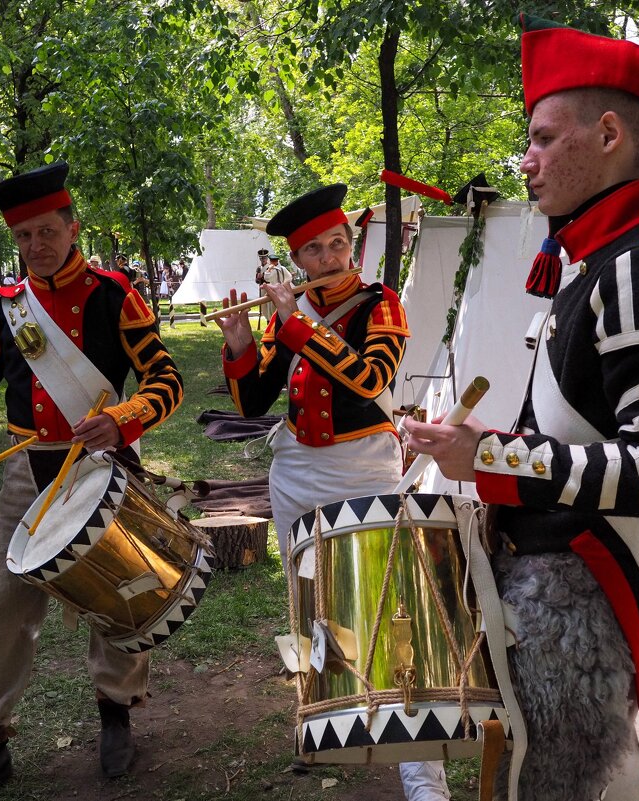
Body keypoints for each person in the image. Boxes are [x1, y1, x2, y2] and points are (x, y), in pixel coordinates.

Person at [403, 16, 639, 801]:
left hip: (582, 609)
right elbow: (578, 430)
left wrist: (494, 457)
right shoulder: (607, 258)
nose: (527, 159)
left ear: (609, 133)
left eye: (544, 137)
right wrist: (481, 445)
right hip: (551, 595)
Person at [0, 162, 183, 801]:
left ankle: (116, 713)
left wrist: (123, 418)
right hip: (25, 473)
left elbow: (166, 381)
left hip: (104, 464)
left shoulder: (118, 295)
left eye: (45, 232)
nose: (35, 247)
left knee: (118, 597)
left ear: (71, 226)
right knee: (4, 610)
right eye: (24, 237)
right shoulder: (4, 310)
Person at [215, 185, 449, 801]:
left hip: (364, 467)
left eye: (338, 244)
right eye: (315, 250)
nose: (330, 258)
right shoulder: (286, 315)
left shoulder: (382, 305)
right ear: (300, 259)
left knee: (390, 606)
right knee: (311, 602)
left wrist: (294, 324)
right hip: (294, 469)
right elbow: (252, 403)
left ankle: (421, 774)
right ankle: (326, 722)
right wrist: (242, 344)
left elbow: (371, 376)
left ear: (350, 245)